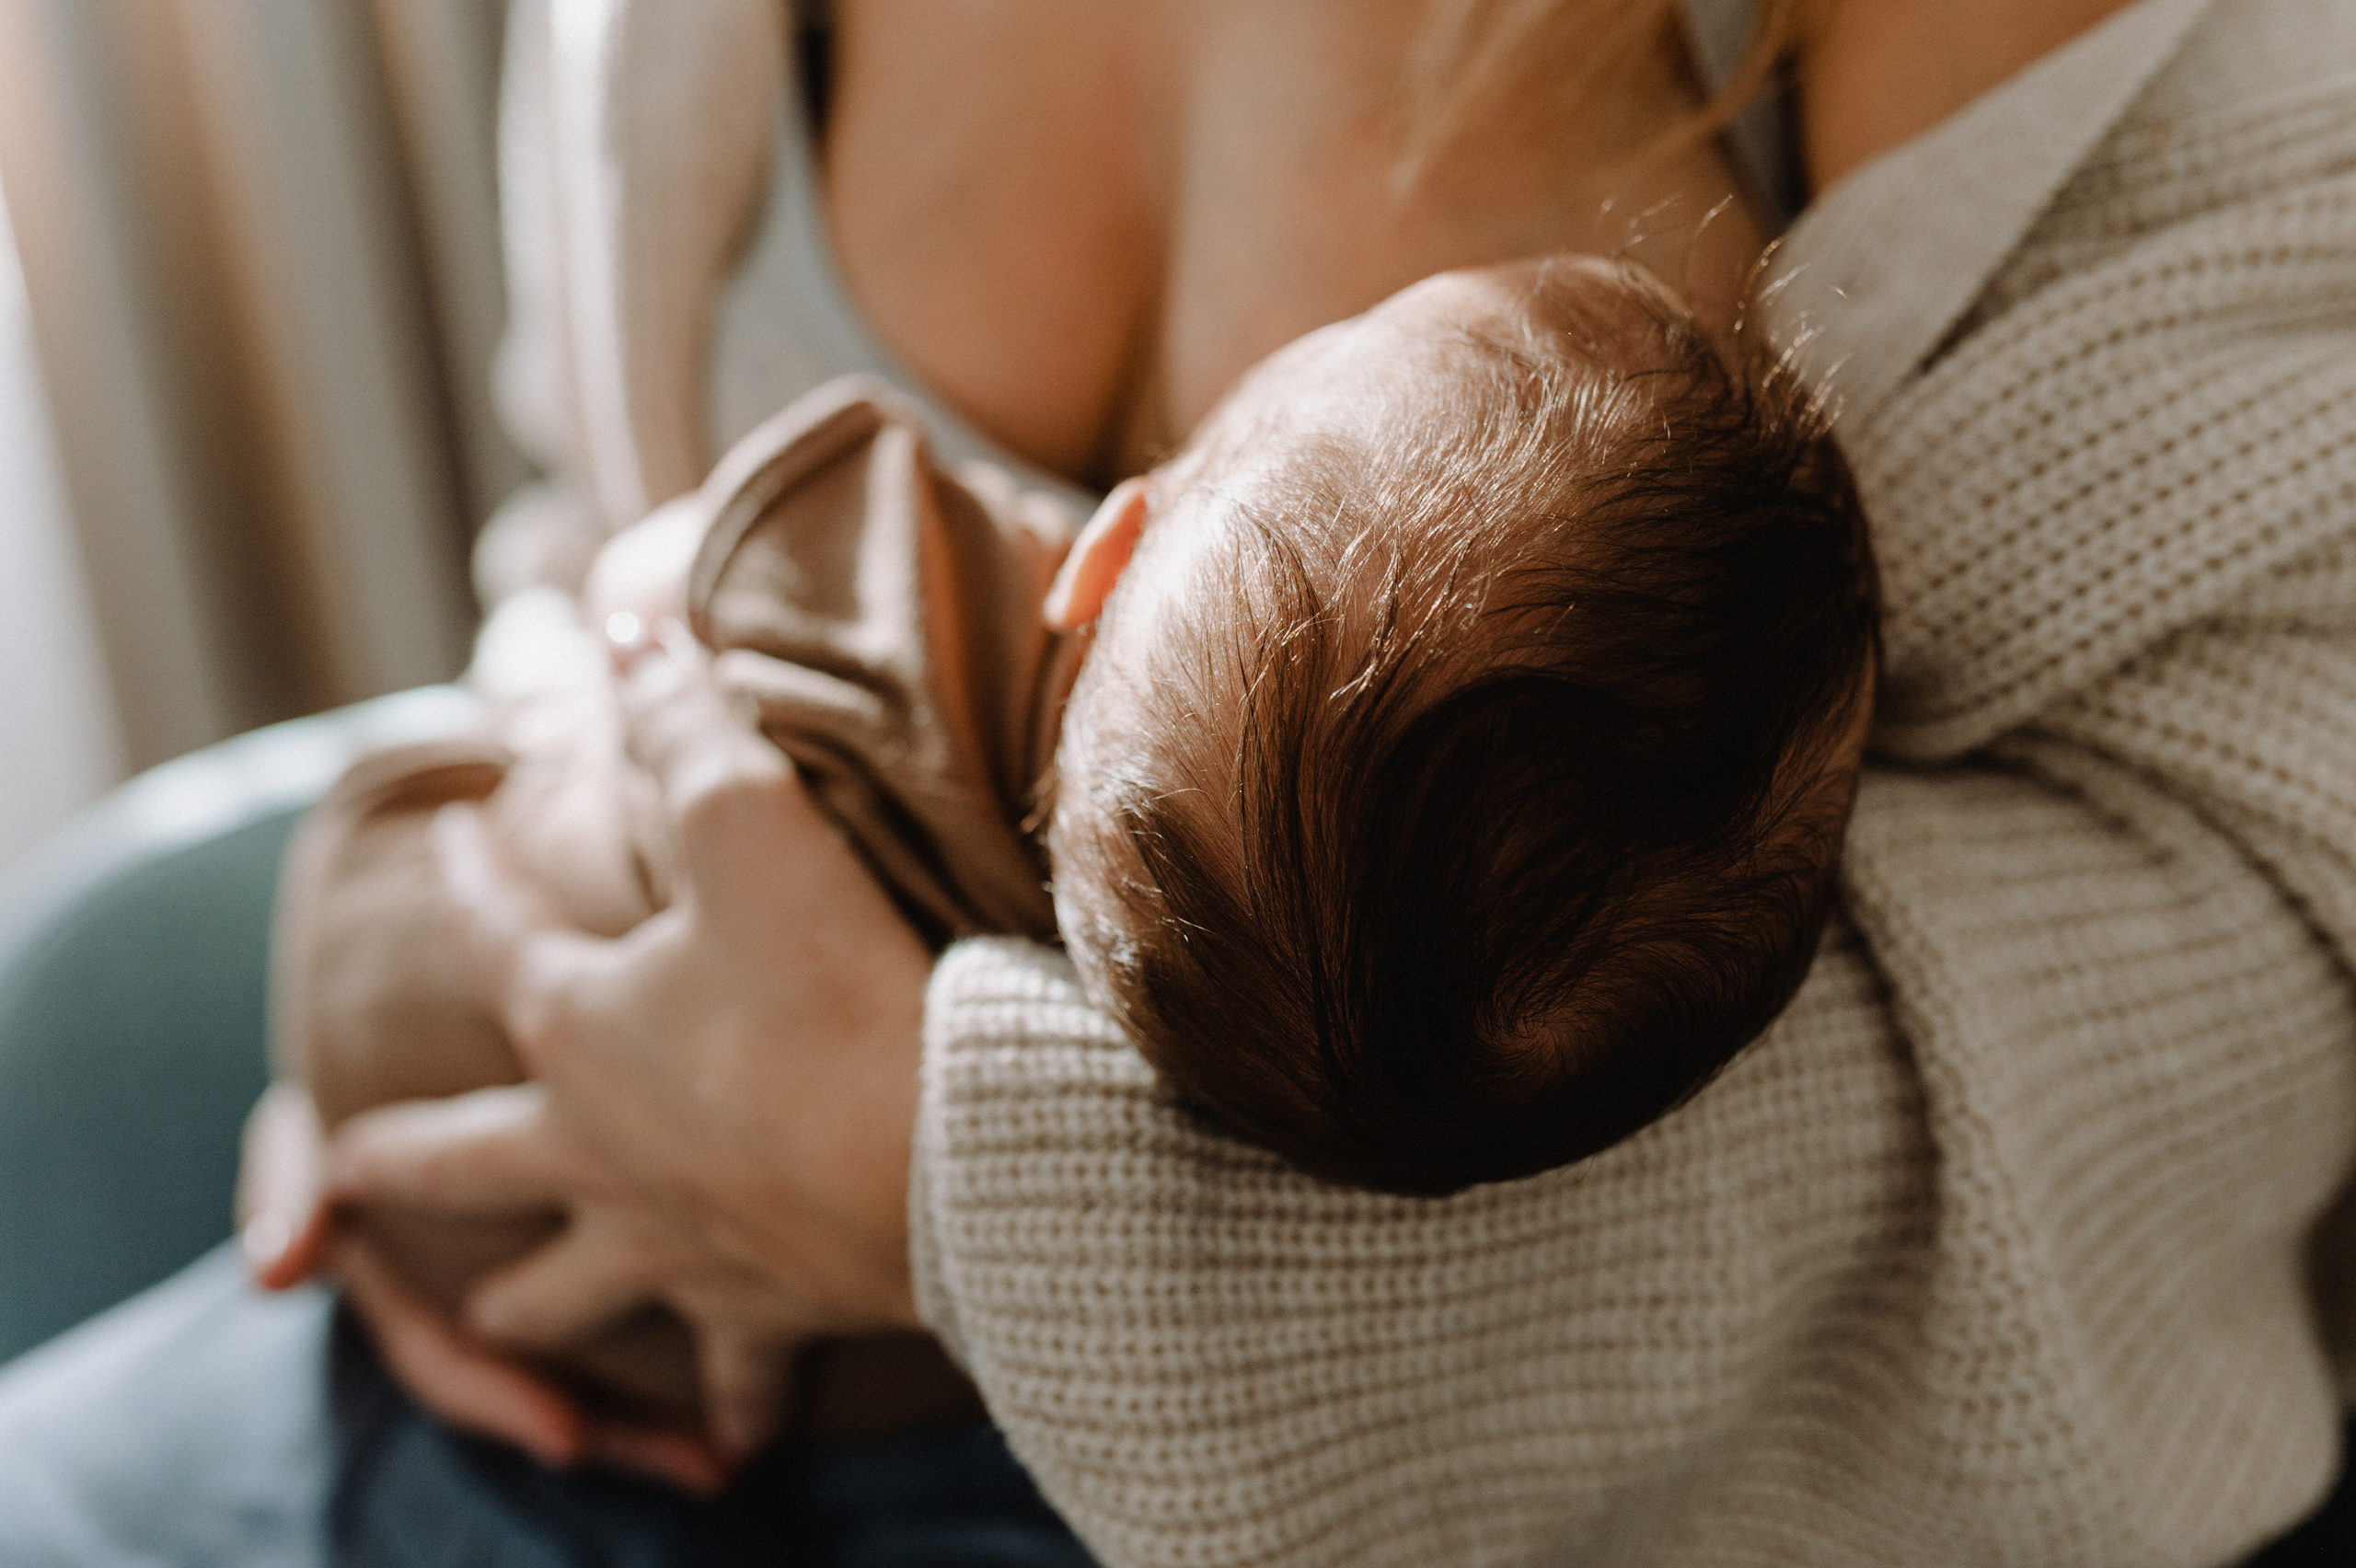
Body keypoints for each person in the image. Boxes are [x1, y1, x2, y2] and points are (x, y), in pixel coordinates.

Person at [5, 0, 2353, 1563]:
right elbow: (602, 535)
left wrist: (938, 1184)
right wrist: (490, 1003)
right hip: (592, 1341)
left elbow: (2225, 977)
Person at [282, 257, 1875, 1425]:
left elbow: (639, 589)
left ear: (1106, 549)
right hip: (725, 1383)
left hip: (409, 1047)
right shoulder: (1161, 1060)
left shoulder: (865, 566)